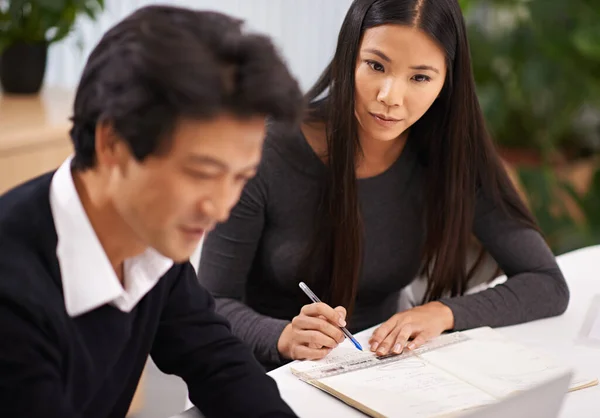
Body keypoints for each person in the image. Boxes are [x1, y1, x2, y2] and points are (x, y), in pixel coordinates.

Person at [197, 0, 570, 371]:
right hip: (269, 375)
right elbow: (211, 301)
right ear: (348, 57)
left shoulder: (451, 153)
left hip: (382, 371)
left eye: (420, 77)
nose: (390, 97)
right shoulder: (266, 149)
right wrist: (282, 336)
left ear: (446, 81)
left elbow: (546, 283)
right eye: (376, 66)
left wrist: (441, 312)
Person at [0, 5, 304, 418]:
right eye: (201, 173)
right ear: (112, 143)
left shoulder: (149, 241)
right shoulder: (13, 291)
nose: (220, 208)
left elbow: (219, 363)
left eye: (240, 177)